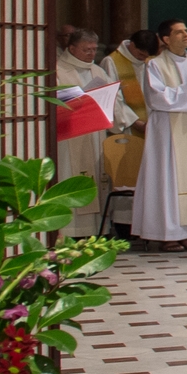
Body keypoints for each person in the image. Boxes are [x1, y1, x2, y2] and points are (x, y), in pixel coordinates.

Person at [133, 19, 187, 250]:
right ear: (165, 39)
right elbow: (156, 97)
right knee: (168, 180)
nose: (186, 35)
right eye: (179, 32)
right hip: (166, 131)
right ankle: (167, 233)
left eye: (186, 31)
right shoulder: (155, 65)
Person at [55, 27, 118, 238]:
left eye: (93, 49)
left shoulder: (98, 71)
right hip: (71, 135)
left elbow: (112, 100)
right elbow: (53, 102)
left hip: (94, 132)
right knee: (70, 175)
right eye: (86, 49)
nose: (91, 54)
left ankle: (95, 229)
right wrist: (78, 100)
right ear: (72, 48)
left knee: (96, 178)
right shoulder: (58, 70)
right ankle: (70, 230)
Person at [105, 28, 156, 191]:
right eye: (140, 54)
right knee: (128, 176)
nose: (143, 59)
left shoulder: (149, 62)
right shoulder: (112, 62)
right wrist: (135, 122)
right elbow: (113, 98)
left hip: (150, 125)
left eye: (146, 56)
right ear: (132, 45)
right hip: (128, 127)